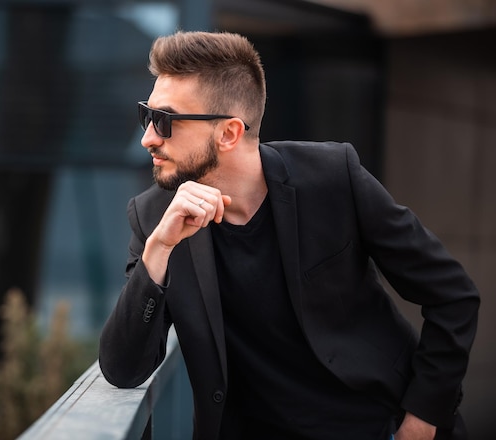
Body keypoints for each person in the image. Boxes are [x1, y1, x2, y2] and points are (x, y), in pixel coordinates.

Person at [98, 31, 480, 440]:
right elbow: (123, 369)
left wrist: (421, 420)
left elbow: (452, 295)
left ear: (228, 133)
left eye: (165, 121)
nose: (148, 138)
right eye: (146, 115)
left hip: (378, 424)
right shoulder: (155, 216)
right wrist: (159, 248)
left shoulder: (333, 176)